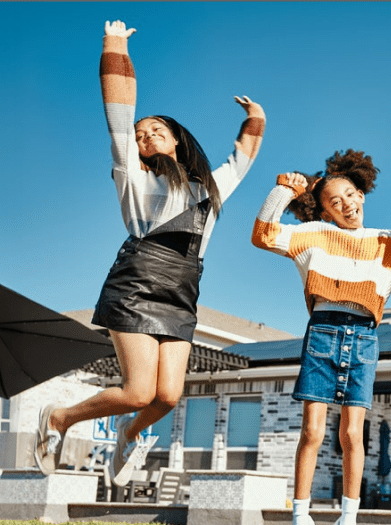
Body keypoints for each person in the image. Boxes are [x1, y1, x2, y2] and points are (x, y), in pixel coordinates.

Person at [33, 20, 266, 484]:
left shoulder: (209, 186)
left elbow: (244, 154)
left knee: (167, 396)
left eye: (156, 130)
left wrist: (256, 115)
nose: (146, 136)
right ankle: (58, 418)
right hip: (137, 283)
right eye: (141, 134)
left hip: (182, 290)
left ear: (177, 139)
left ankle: (128, 435)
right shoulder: (133, 177)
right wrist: (114, 45)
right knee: (139, 390)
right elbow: (118, 114)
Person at [250, 150, 391, 525]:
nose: (347, 205)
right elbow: (263, 235)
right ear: (325, 213)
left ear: (362, 194)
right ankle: (300, 514)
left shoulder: (386, 241)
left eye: (351, 194)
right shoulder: (313, 235)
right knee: (313, 430)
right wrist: (284, 192)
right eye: (335, 202)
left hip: (366, 337)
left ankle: (347, 517)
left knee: (353, 433)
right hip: (323, 331)